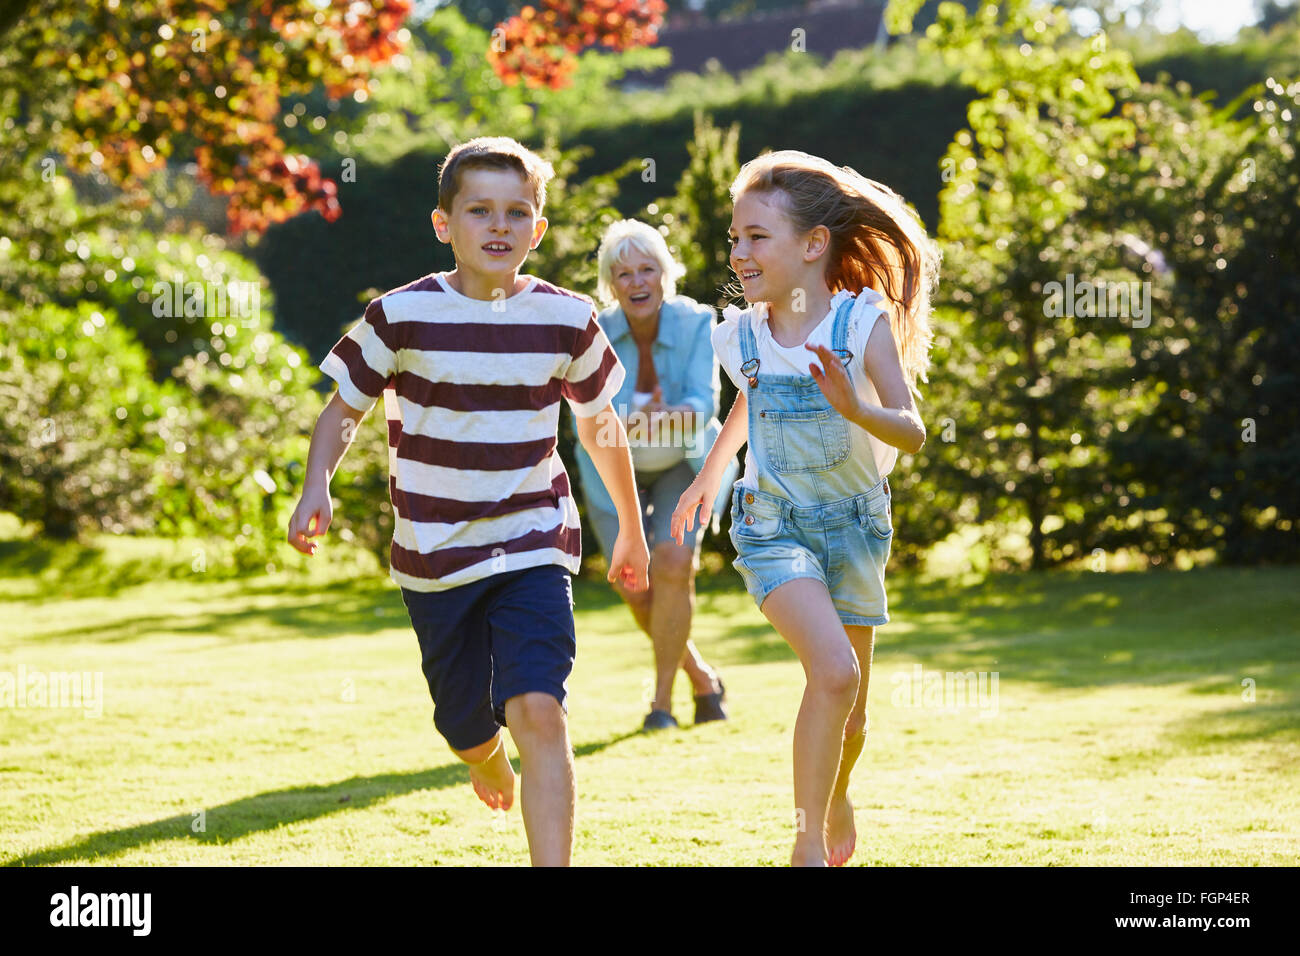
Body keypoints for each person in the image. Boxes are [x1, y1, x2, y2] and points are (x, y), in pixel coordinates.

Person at [287, 137, 650, 867]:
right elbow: (342, 411)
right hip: (434, 557)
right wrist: (315, 484)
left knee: (539, 711)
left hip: (534, 540)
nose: (499, 226)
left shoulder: (568, 319)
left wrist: (631, 532)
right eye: (479, 209)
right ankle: (481, 755)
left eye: (517, 213)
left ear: (537, 230)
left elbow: (599, 423)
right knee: (462, 723)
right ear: (443, 223)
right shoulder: (400, 316)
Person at [671, 149, 939, 867]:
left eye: (756, 236)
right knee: (836, 675)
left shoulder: (860, 324)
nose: (739, 252)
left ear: (813, 244)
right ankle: (806, 845)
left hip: (854, 528)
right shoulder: (748, 334)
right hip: (772, 526)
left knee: (851, 716)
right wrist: (710, 475)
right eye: (735, 238)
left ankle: (834, 794)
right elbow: (750, 402)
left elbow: (911, 432)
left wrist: (856, 405)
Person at [572, 219, 737, 731]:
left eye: (647, 270)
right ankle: (703, 678)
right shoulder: (593, 331)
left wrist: (634, 416)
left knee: (670, 563)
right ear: (610, 284)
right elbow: (597, 418)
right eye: (623, 275)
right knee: (633, 583)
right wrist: (656, 414)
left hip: (684, 467)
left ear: (665, 274)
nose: (637, 282)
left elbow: (702, 404)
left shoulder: (695, 323)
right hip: (609, 473)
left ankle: (661, 705)